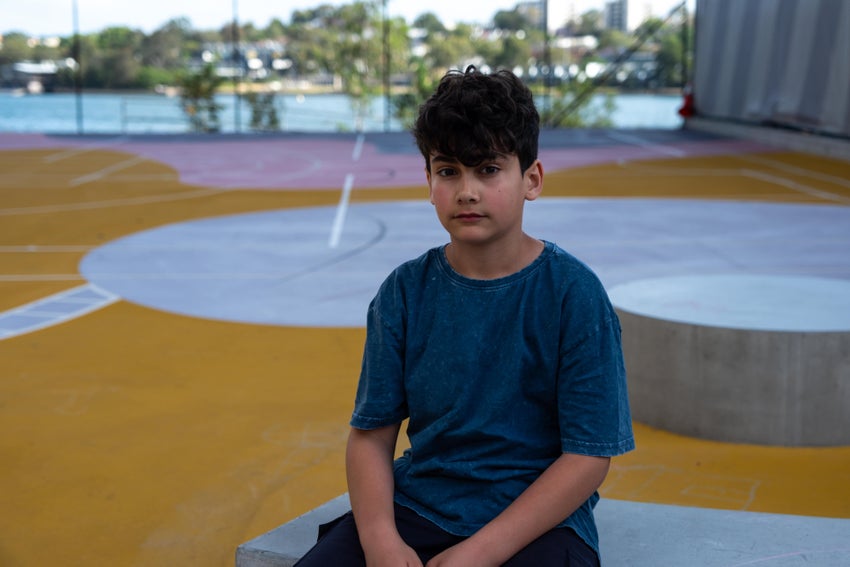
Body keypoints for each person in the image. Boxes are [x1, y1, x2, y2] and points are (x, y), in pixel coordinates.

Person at [295, 66, 634, 567]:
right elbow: (371, 435)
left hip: (539, 523)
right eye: (449, 171)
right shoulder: (404, 292)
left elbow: (587, 456)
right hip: (420, 505)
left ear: (531, 179)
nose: (467, 190)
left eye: (489, 169)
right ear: (429, 181)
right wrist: (381, 539)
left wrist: (477, 553)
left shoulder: (573, 295)